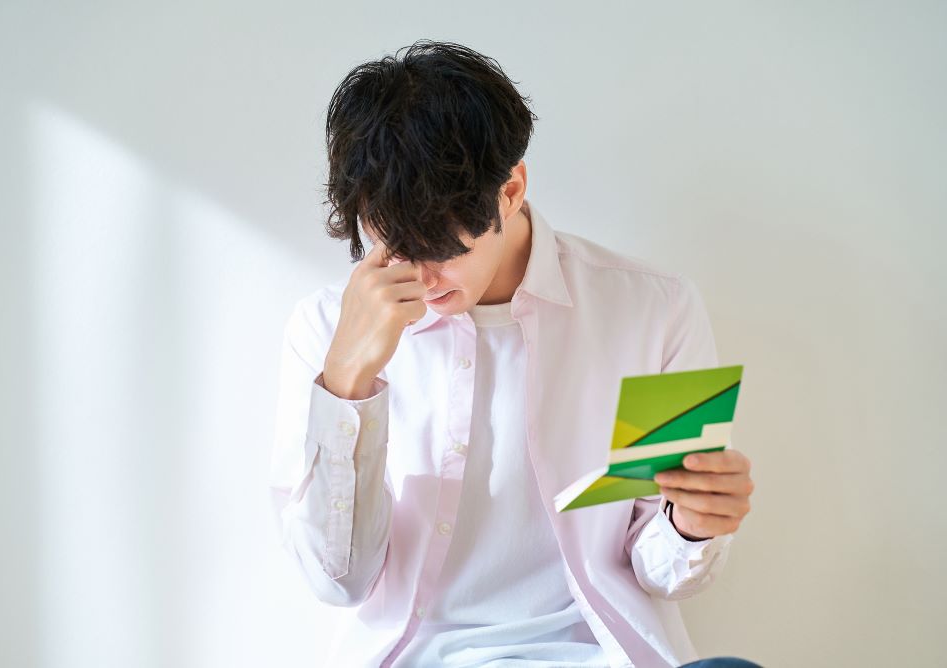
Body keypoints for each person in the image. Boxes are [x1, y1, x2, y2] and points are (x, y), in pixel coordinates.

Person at [269, 40, 758, 668]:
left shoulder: (655, 309)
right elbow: (336, 581)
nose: (422, 279)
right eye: (393, 248)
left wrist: (692, 524)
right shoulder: (323, 329)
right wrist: (346, 383)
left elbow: (659, 570)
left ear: (511, 190)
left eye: (442, 249)